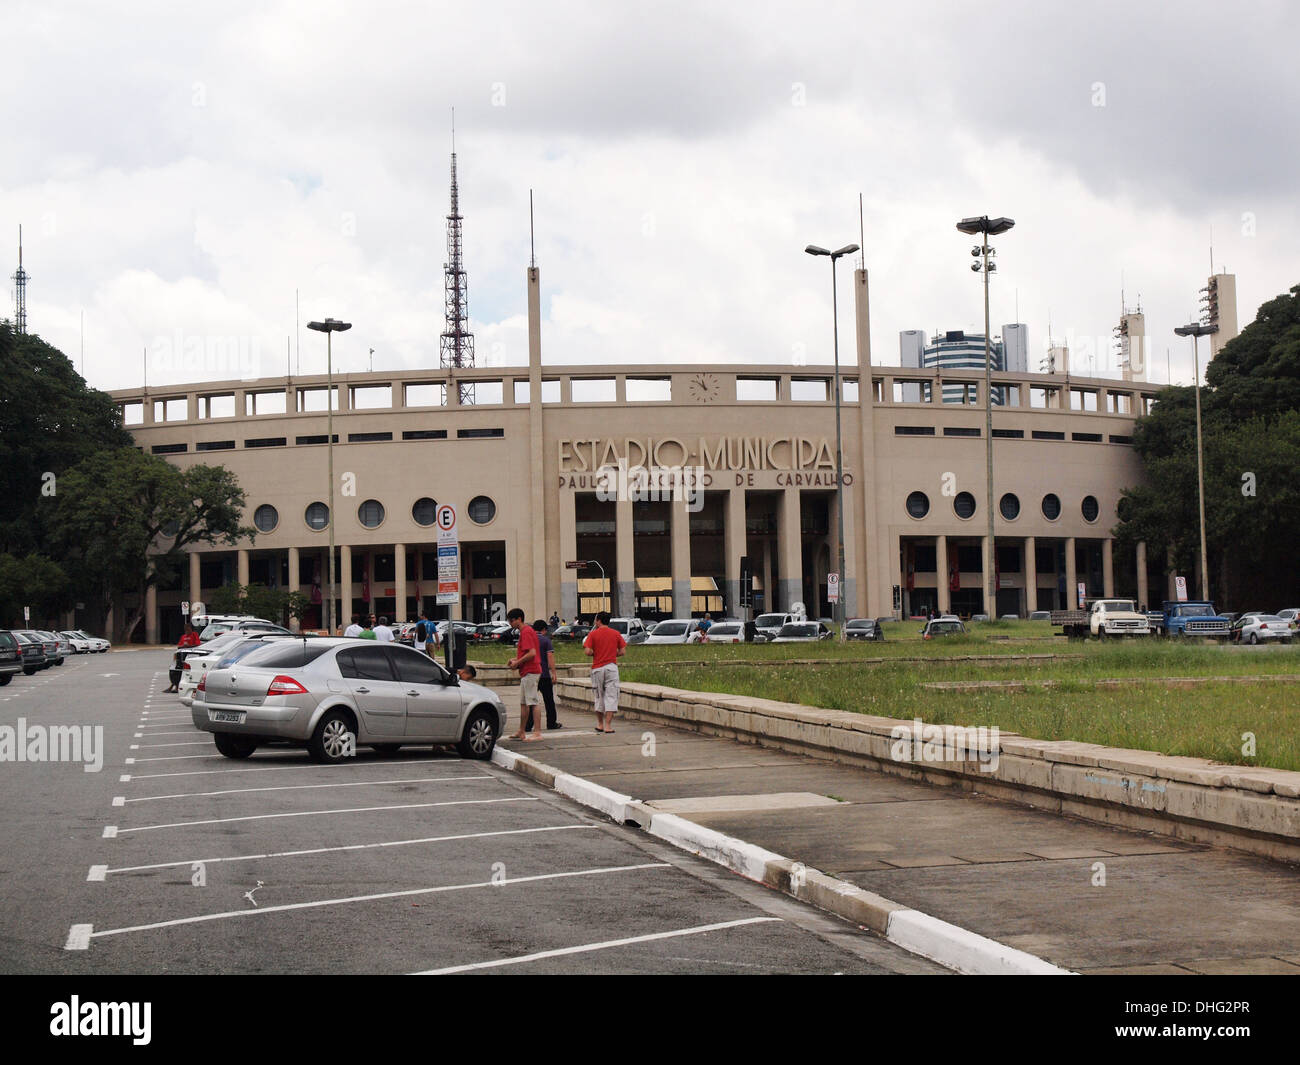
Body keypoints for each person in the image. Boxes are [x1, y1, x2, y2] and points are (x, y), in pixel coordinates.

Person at [582, 611, 626, 734]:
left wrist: (597, 653)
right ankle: (608, 725)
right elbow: (622, 651)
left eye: (596, 620)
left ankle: (600, 724)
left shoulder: (593, 634)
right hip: (611, 667)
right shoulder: (616, 634)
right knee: (611, 696)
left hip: (597, 668)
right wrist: (612, 653)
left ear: (599, 620)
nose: (595, 622)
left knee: (599, 696)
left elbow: (587, 652)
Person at [506, 607, 543, 741]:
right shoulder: (526, 631)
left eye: (511, 620)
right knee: (524, 703)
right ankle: (521, 731)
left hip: (531, 671)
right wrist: (516, 661)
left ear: (519, 619)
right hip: (527, 671)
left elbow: (532, 653)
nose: (510, 623)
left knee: (533, 702)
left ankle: (537, 732)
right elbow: (529, 653)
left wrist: (517, 662)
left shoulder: (526, 632)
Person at [525, 619, 561, 731]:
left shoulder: (529, 640)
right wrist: (554, 673)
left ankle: (527, 725)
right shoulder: (546, 641)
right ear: (544, 630)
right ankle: (551, 723)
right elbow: (550, 657)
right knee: (549, 700)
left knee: (530, 701)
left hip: (531, 674)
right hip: (544, 675)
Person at [164, 622, 200, 692]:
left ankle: (175, 687)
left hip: (189, 656)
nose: (187, 631)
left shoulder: (194, 635)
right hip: (181, 656)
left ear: (191, 629)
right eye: (185, 630)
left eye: (188, 629)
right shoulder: (183, 637)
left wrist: (188, 646)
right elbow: (179, 646)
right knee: (176, 672)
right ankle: (174, 686)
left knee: (183, 672)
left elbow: (197, 644)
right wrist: (183, 646)